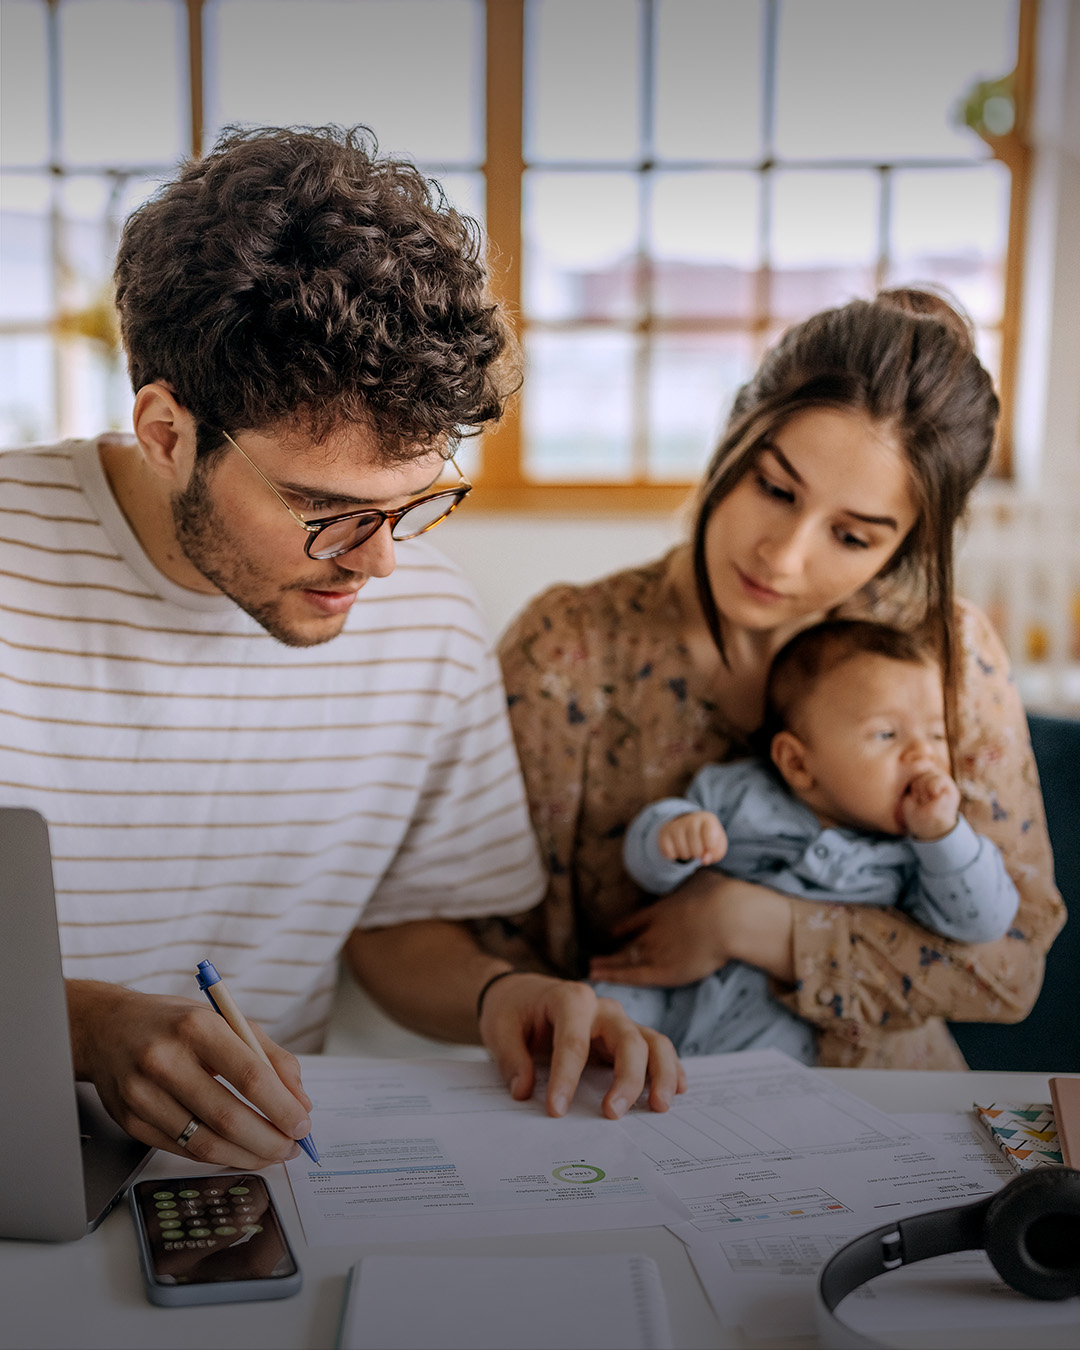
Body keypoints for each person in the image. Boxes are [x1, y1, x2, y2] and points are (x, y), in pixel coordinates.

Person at [1, 124, 682, 1172]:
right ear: (166, 431)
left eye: (414, 505)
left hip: (259, 1175)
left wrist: (503, 994)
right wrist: (80, 1028)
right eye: (325, 510)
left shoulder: (428, 623)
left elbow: (396, 932)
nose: (380, 567)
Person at [487, 287, 1065, 1070]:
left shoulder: (946, 653)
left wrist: (747, 923)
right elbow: (468, 941)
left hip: (890, 1116)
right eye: (775, 489)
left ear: (905, 547)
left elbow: (1011, 967)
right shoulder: (568, 651)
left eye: (852, 535)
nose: (784, 556)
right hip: (628, 1098)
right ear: (732, 431)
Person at [609, 619, 1021, 1061]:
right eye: (886, 734)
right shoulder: (739, 793)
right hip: (676, 991)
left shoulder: (917, 854)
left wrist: (943, 835)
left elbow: (983, 922)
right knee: (604, 1008)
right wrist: (671, 836)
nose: (923, 754)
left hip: (782, 1023)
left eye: (938, 735)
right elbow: (649, 873)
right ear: (798, 764)